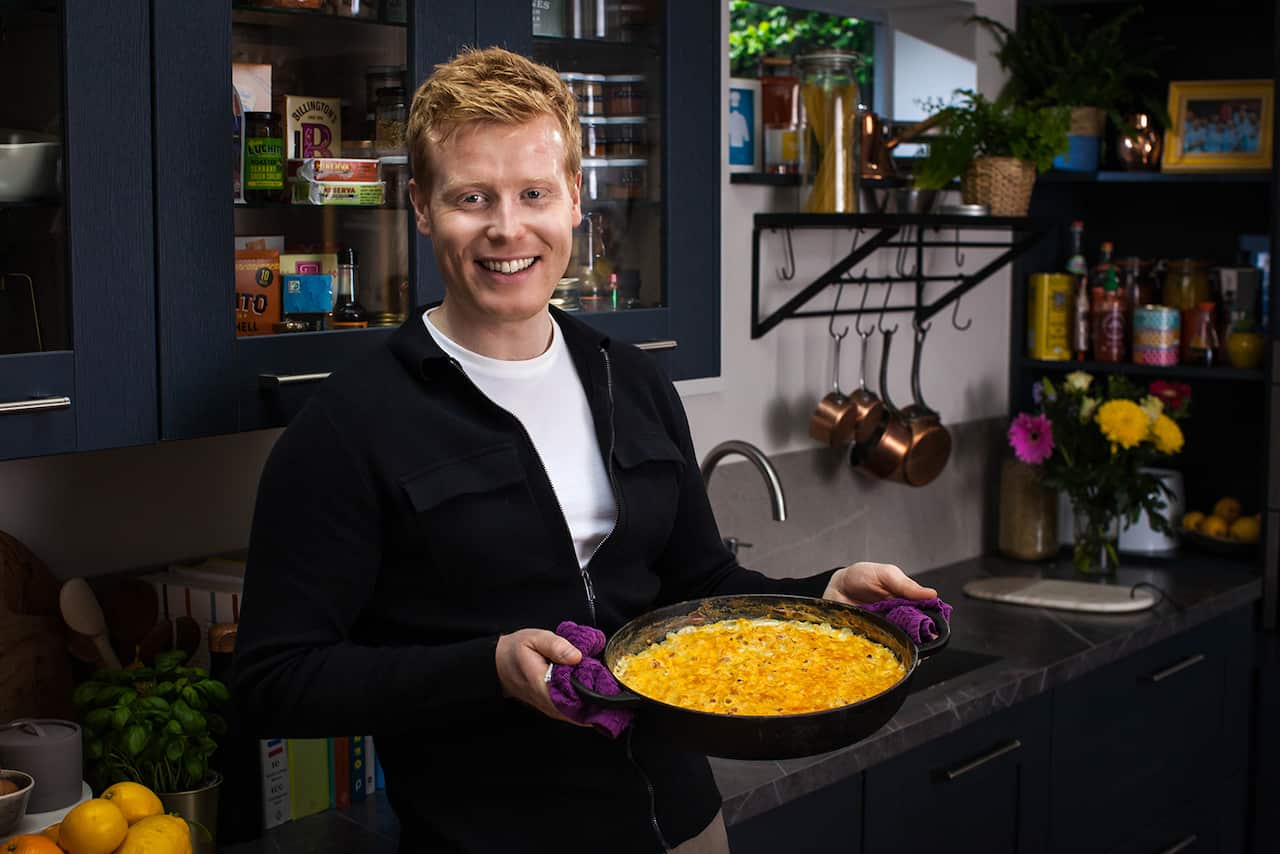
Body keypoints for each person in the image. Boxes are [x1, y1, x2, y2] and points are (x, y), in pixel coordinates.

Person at [233, 46, 938, 854]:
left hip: (683, 824)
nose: (507, 228)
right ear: (422, 207)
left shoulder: (630, 380)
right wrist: (487, 667)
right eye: (471, 197)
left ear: (575, 199)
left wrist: (825, 598)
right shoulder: (350, 424)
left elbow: (700, 585)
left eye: (534, 192)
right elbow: (273, 683)